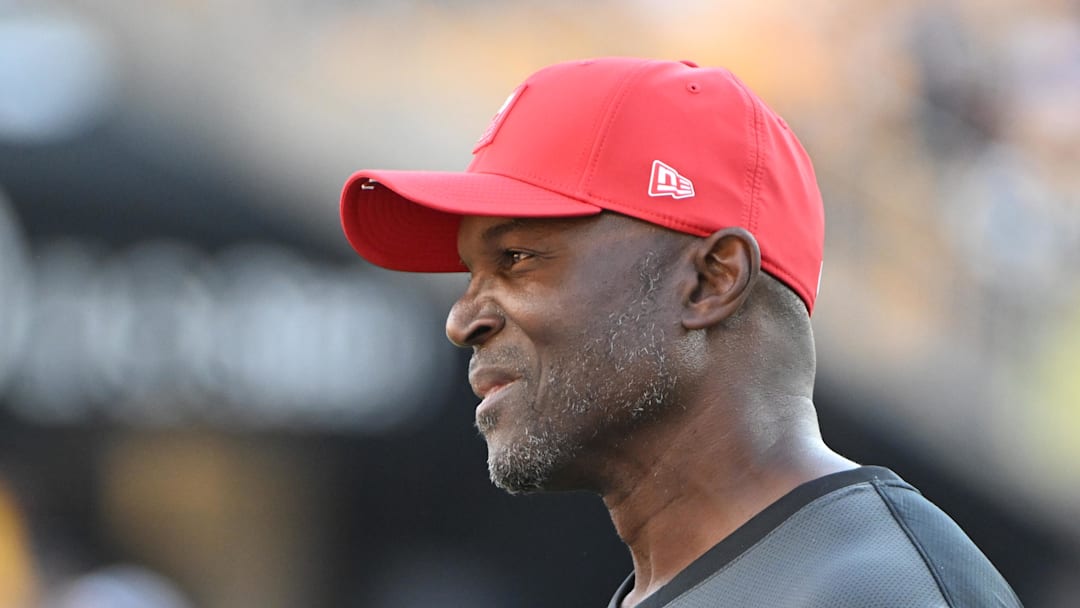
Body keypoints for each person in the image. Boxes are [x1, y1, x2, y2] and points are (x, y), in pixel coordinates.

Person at [338, 57, 1022, 607]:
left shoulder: (874, 592)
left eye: (516, 258)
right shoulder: (700, 578)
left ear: (710, 281)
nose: (463, 319)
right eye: (469, 272)